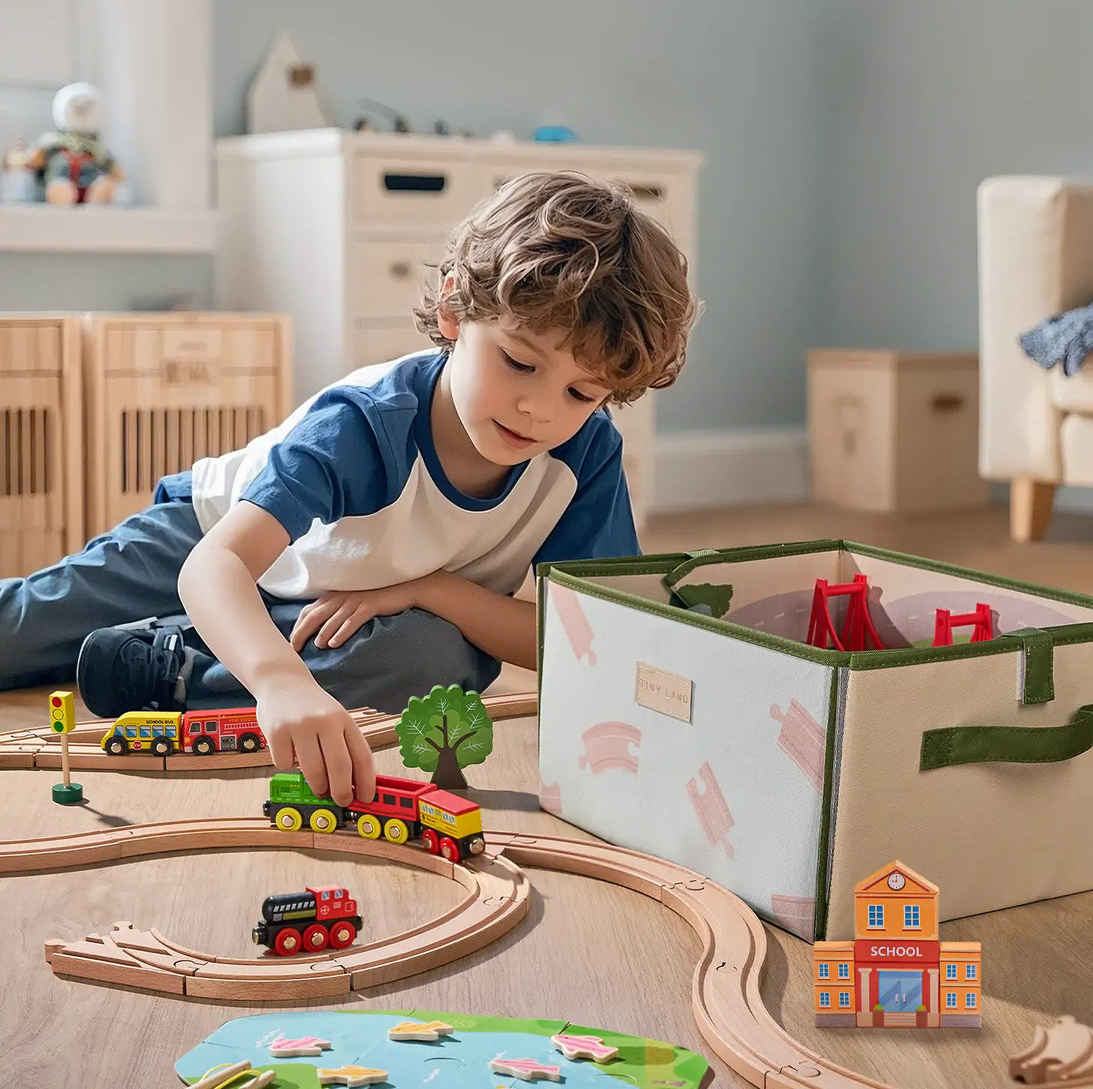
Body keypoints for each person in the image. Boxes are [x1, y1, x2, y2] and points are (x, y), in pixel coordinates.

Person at [0, 171, 699, 808]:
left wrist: (434, 591)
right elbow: (216, 565)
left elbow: (587, 643)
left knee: (430, 665)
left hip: (350, 601)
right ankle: (198, 657)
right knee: (24, 631)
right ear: (456, 313)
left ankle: (173, 664)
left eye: (581, 392)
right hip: (209, 536)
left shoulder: (586, 457)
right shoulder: (366, 424)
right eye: (519, 362)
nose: (539, 410)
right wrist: (278, 681)